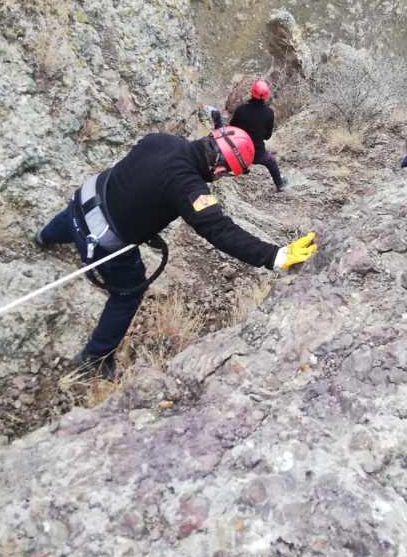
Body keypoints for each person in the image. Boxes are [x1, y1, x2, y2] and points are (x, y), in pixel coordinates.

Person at [33, 127, 317, 379]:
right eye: (225, 174)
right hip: (99, 238)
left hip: (82, 201)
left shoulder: (161, 140)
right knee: (128, 293)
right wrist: (274, 255)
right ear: (220, 169)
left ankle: (44, 236)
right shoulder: (189, 187)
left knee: (71, 219)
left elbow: (141, 179)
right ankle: (95, 359)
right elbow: (218, 229)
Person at [228, 79, 288, 192]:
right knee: (271, 162)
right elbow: (267, 136)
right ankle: (280, 184)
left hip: (238, 152)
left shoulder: (241, 110)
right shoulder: (269, 113)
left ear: (252, 92)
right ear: (266, 96)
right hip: (257, 153)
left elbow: (232, 127)